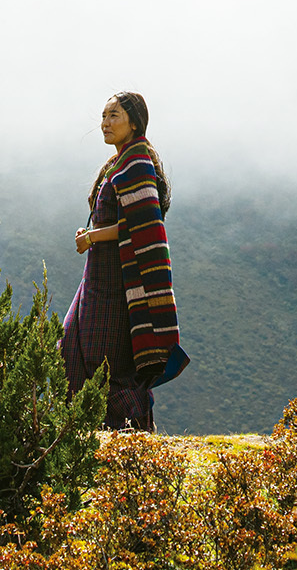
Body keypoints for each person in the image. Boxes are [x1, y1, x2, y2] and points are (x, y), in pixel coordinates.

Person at [60, 91, 187, 431]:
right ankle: (84, 432)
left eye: (114, 115)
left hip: (120, 283)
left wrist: (92, 237)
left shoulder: (138, 164)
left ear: (134, 122)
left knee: (109, 365)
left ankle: (133, 438)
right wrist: (90, 235)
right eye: (103, 116)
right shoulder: (117, 164)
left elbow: (139, 223)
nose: (105, 123)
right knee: (70, 348)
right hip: (96, 279)